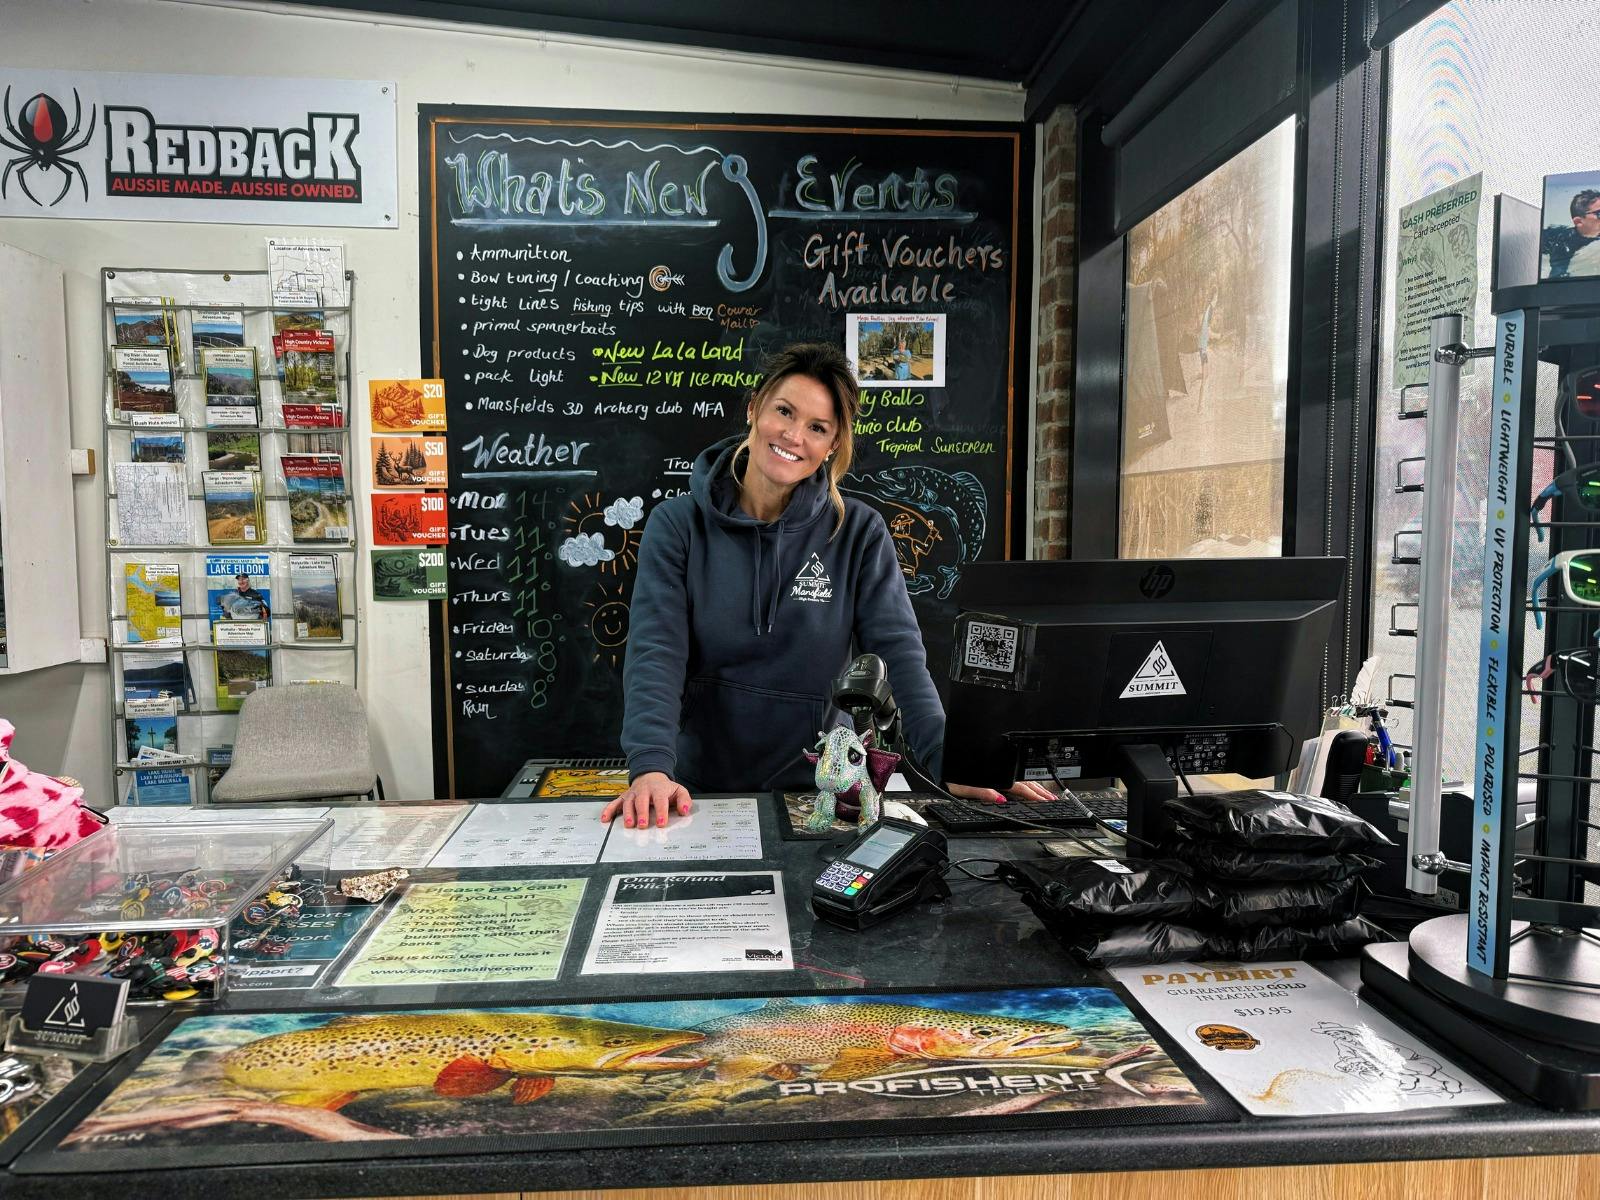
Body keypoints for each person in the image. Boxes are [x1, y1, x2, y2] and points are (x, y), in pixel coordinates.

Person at [604, 343, 1051, 828]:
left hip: (821, 793)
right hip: (694, 793)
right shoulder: (678, 525)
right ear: (755, 408)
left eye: (817, 428)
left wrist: (952, 759)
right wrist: (649, 767)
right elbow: (656, 650)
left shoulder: (858, 531)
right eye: (784, 412)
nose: (794, 436)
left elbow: (899, 656)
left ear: (833, 444)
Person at [1543, 188, 1600, 279]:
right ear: (1578, 222)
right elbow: (1556, 278)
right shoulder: (1564, 246)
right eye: (1599, 214)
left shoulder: (1596, 231)